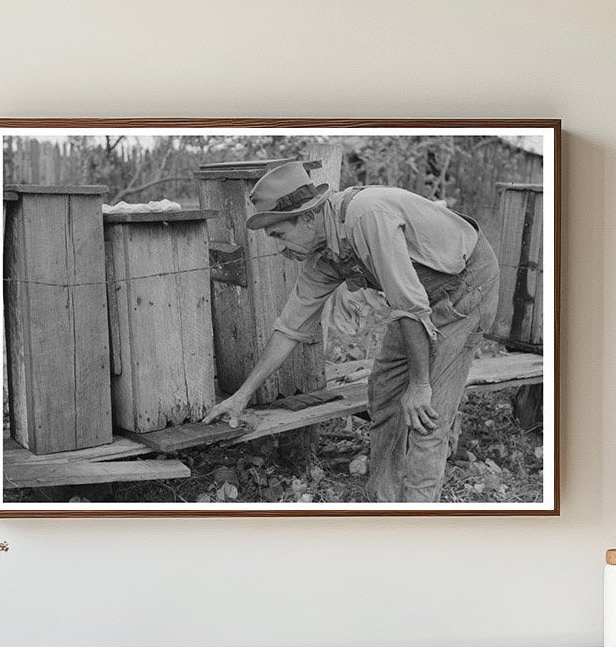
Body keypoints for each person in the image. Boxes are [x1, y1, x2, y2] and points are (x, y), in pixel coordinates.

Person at [202, 160, 500, 502]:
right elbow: (289, 329)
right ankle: (383, 502)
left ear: (308, 216)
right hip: (418, 297)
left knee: (428, 412)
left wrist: (419, 385)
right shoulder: (322, 256)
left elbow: (409, 306)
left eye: (280, 234)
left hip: (465, 284)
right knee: (385, 389)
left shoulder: (366, 216)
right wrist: (241, 396)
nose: (280, 247)